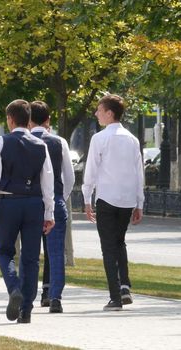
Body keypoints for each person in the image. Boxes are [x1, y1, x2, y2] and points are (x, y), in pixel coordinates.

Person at [0, 99, 55, 323]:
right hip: (34, 203)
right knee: (31, 259)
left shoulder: (1, 142)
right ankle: (26, 310)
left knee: (5, 252)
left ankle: (14, 288)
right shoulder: (40, 145)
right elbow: (47, 182)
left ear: (11, 120)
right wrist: (49, 213)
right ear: (28, 119)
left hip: (9, 201)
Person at [82, 94, 144, 311]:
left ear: (110, 113)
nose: (97, 114)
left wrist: (87, 199)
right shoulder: (132, 139)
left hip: (107, 198)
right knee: (119, 242)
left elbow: (90, 171)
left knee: (108, 247)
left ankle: (115, 297)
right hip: (127, 199)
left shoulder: (99, 138)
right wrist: (140, 203)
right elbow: (139, 173)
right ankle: (125, 285)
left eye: (100, 110)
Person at [28, 101, 75, 313]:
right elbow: (69, 177)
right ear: (48, 120)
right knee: (55, 253)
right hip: (55, 200)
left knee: (29, 253)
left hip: (29, 201)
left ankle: (26, 295)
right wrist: (60, 197)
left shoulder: (22, 141)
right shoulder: (59, 142)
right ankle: (54, 296)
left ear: (28, 120)